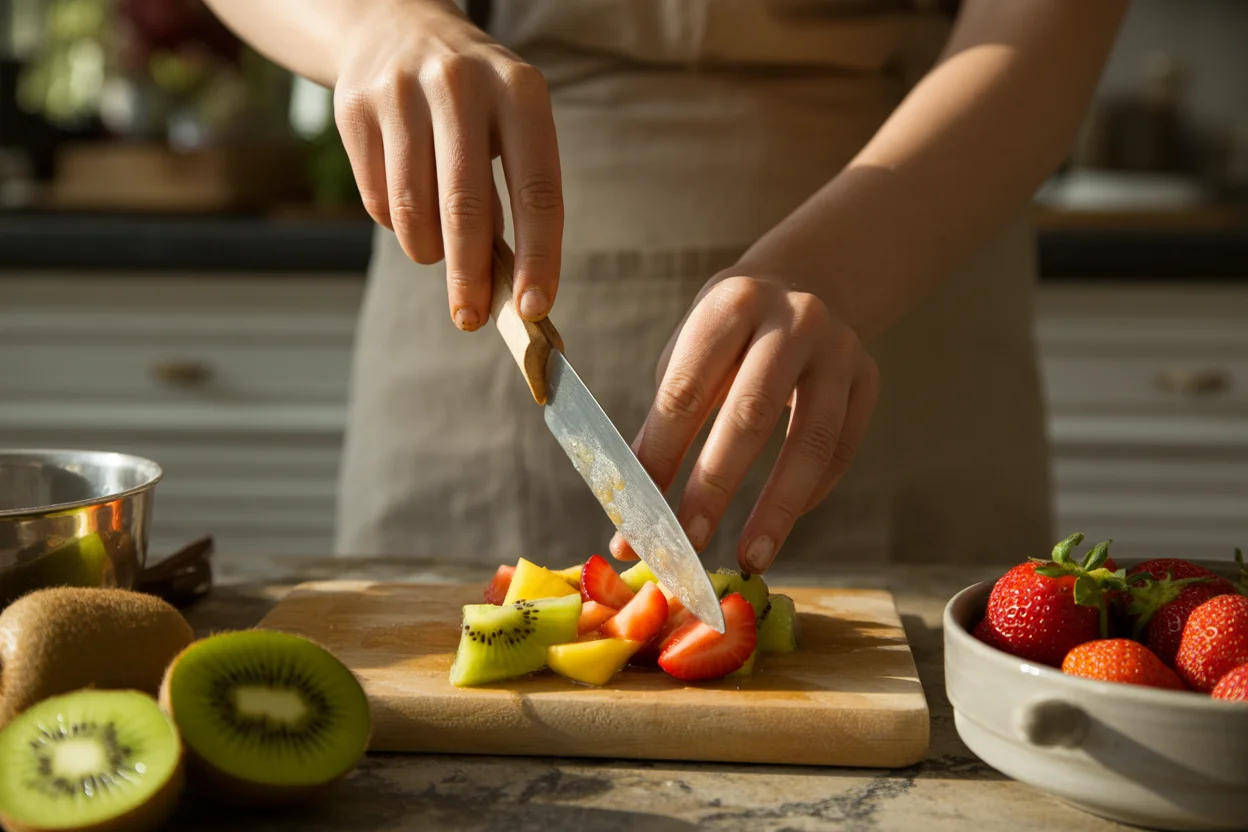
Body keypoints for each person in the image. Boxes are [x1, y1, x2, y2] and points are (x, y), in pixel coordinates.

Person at [203, 0, 1129, 574]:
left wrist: (838, 273)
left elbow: (1049, 21)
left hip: (912, 266)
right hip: (474, 344)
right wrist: (373, 21)